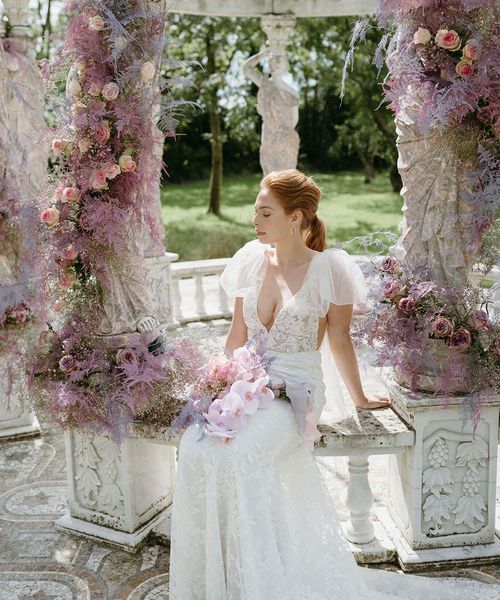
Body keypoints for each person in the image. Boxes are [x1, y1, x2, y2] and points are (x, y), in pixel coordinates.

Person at [168, 170, 497, 600]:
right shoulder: (251, 258)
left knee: (239, 456)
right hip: (245, 382)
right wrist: (217, 385)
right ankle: (219, 582)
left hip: (296, 390)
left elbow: (340, 340)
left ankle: (261, 582)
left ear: (296, 217)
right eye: (255, 212)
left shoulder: (330, 269)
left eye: (265, 212)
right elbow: (236, 338)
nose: (255, 221)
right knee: (196, 446)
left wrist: (359, 397)